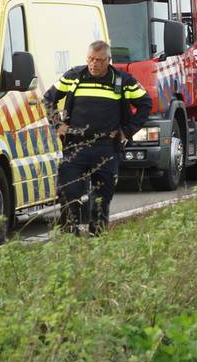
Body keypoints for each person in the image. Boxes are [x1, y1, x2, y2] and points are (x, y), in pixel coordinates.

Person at [43, 40, 151, 234]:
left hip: (106, 147)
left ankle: (97, 235)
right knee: (69, 191)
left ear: (108, 60)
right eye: (91, 59)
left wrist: (127, 131)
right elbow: (48, 98)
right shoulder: (74, 76)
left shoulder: (123, 81)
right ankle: (69, 234)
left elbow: (145, 104)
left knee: (102, 195)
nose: (94, 64)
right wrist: (57, 124)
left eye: (99, 60)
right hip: (76, 146)